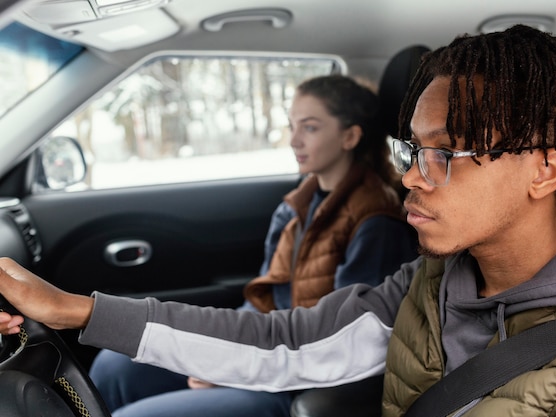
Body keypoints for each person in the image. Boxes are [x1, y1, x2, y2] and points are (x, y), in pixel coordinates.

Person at [1, 24, 556, 417]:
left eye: (447, 154)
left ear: (545, 171)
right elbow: (283, 342)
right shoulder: (428, 285)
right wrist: (70, 309)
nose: (411, 176)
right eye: (412, 150)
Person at [86, 74, 417, 417]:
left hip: (298, 379)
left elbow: (346, 345)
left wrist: (232, 368)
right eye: (291, 126)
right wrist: (219, 354)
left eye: (310, 128)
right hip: (265, 347)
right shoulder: (295, 207)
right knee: (114, 367)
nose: (294, 140)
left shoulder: (375, 224)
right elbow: (264, 301)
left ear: (350, 136)